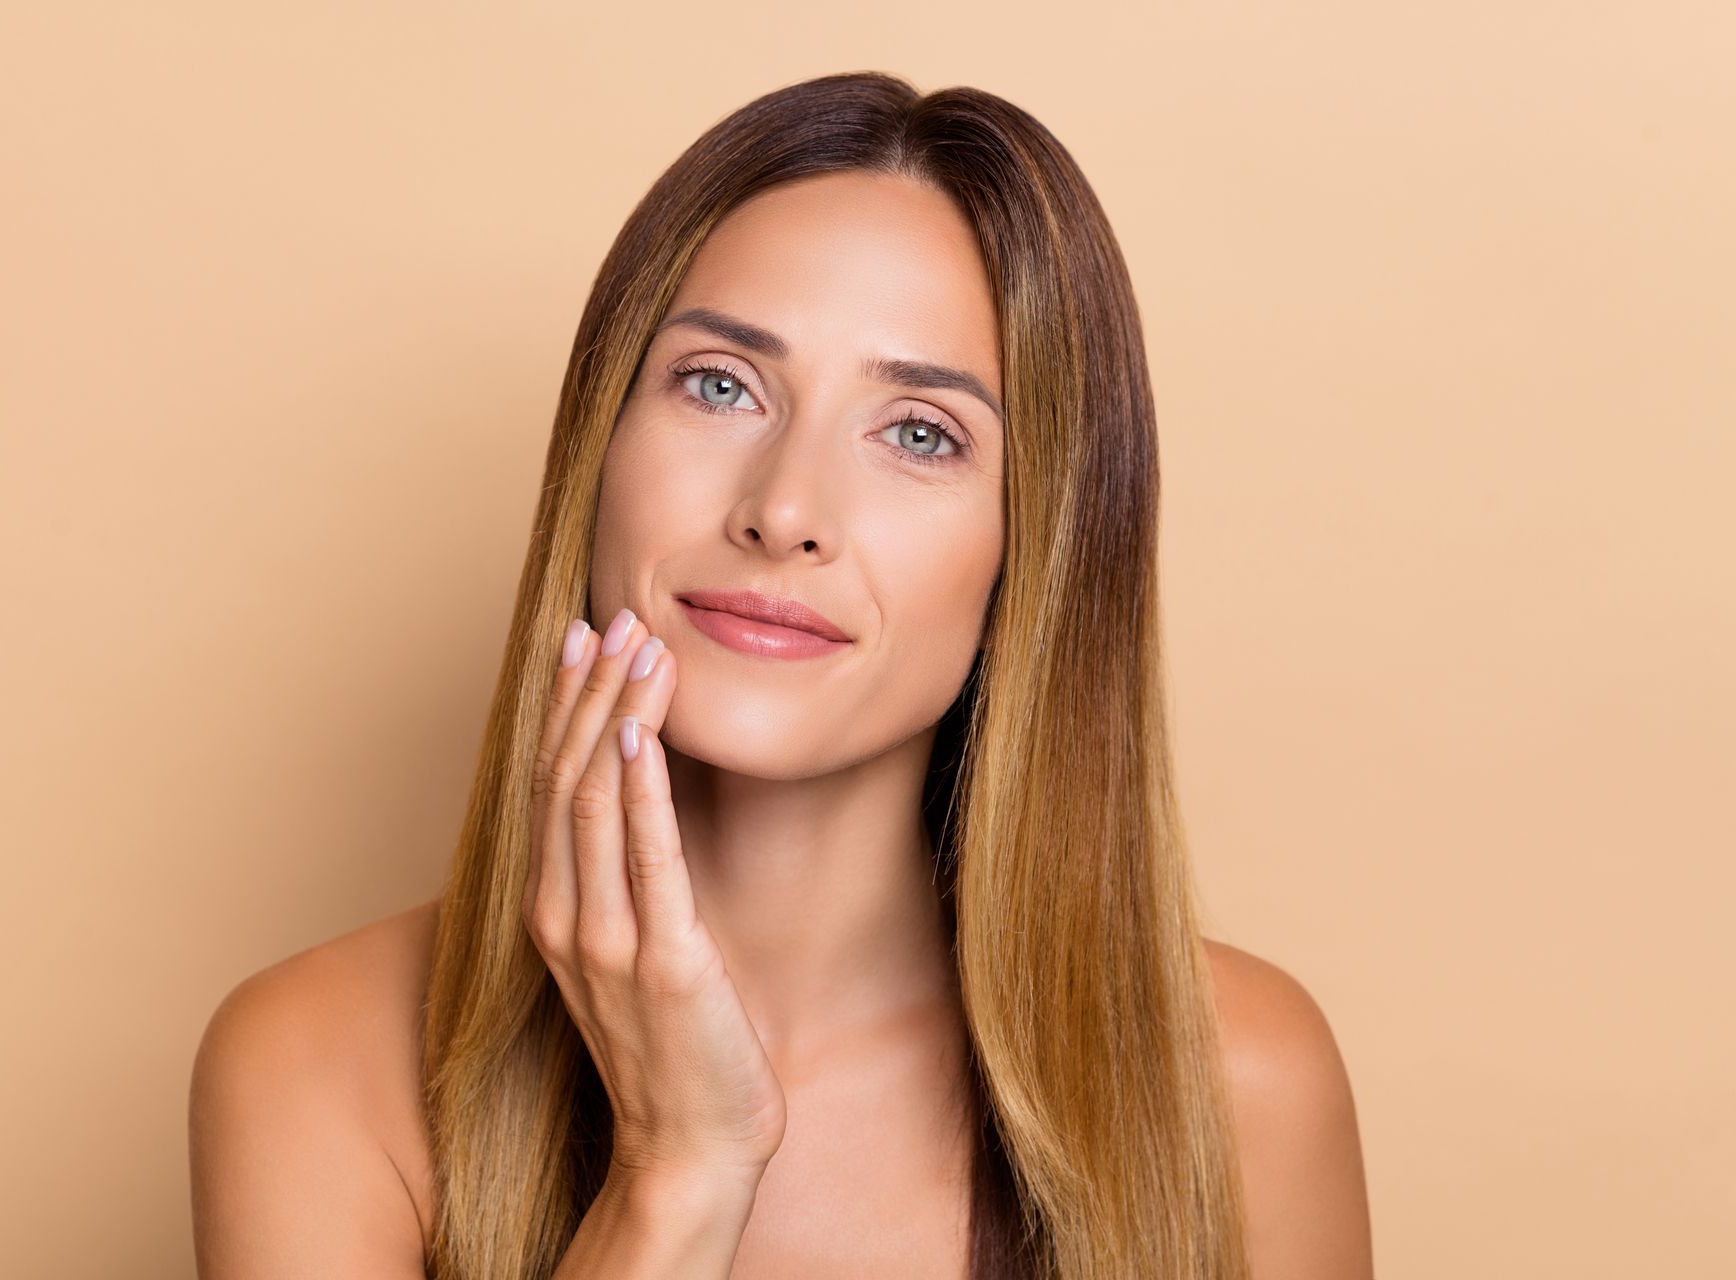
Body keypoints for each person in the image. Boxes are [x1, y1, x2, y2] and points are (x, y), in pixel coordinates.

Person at [188, 71, 1372, 1279]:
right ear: (598, 449)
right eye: (720, 384)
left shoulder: (1238, 1087)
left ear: (1036, 550)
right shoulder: (319, 1061)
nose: (785, 509)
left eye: (920, 431)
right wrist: (675, 1171)